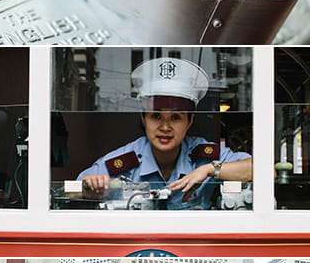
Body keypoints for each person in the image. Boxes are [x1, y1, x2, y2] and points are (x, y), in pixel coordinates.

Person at [77, 57, 252, 209]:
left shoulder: (204, 155)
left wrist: (210, 169)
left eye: (175, 117)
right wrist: (90, 189)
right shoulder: (125, 160)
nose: (165, 127)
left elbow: (264, 171)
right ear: (143, 118)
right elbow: (69, 191)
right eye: (156, 116)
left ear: (190, 121)